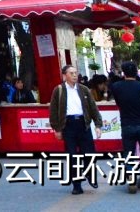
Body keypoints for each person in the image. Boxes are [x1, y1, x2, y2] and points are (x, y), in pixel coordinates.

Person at [49, 64, 101, 196]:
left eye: (75, 73)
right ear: (64, 75)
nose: (74, 75)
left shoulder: (84, 89)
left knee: (89, 154)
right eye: (71, 73)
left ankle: (90, 174)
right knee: (72, 157)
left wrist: (98, 125)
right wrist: (57, 128)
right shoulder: (59, 90)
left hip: (83, 124)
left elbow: (93, 108)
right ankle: (76, 185)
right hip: (68, 126)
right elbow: (53, 110)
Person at [110, 61, 140, 193]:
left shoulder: (116, 86)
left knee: (129, 153)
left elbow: (117, 102)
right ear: (136, 71)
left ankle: (131, 178)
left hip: (127, 124)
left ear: (123, 72)